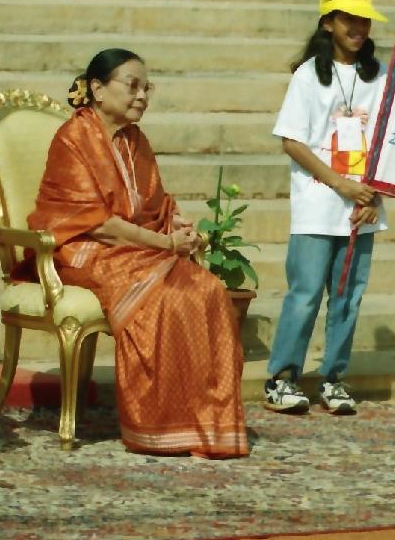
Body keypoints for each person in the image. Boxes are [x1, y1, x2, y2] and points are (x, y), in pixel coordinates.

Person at [27, 48, 249, 458]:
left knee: (209, 292)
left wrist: (176, 226)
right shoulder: (74, 138)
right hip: (84, 250)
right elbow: (98, 224)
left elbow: (155, 205)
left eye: (147, 87)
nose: (142, 96)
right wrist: (165, 244)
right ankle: (159, 425)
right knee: (162, 300)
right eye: (132, 86)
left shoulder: (135, 141)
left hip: (139, 248)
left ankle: (206, 424)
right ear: (98, 89)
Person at [263, 0, 389, 416]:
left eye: (363, 20)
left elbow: (390, 138)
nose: (357, 28)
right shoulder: (307, 76)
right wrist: (340, 184)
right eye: (348, 19)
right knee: (305, 294)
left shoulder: (379, 76)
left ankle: (333, 378)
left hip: (363, 206)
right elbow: (292, 142)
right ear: (328, 23)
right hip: (318, 204)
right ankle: (282, 378)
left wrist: (373, 194)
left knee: (348, 296)